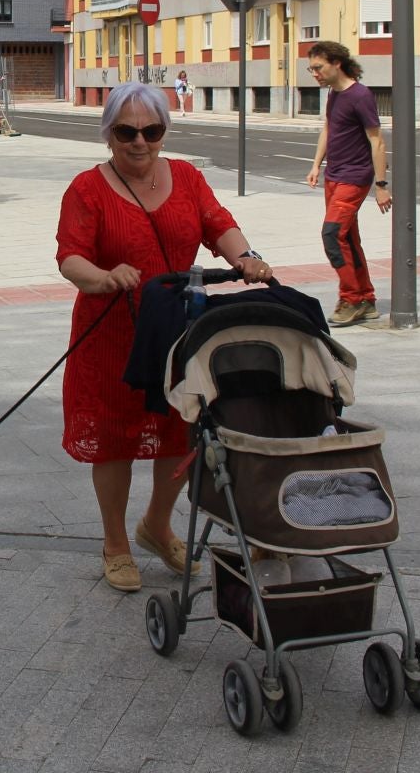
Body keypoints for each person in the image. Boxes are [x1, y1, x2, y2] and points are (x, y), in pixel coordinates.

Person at [56, 81, 274, 592]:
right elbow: (70, 256)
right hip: (109, 335)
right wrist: (103, 277)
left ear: (163, 131)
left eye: (151, 131)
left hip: (175, 330)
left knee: (179, 432)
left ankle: (156, 525)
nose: (139, 142)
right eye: (127, 131)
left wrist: (244, 257)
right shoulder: (86, 189)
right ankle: (115, 542)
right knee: (114, 440)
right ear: (109, 133)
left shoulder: (188, 177)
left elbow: (219, 224)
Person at [305, 40, 392, 327]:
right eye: (311, 69)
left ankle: (351, 298)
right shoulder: (333, 94)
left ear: (336, 63)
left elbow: (377, 141)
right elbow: (329, 129)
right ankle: (365, 299)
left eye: (318, 68)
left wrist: (381, 185)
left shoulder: (360, 95)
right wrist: (317, 164)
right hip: (334, 175)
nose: (314, 74)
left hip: (354, 178)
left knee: (331, 235)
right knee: (348, 239)